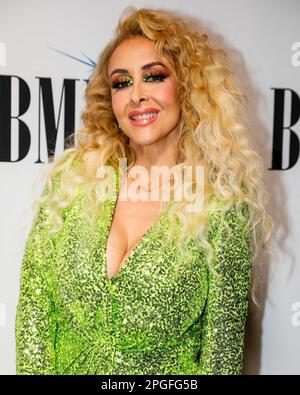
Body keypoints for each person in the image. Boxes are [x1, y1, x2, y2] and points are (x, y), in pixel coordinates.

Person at [15, 6, 273, 375]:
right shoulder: (73, 181)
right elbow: (34, 317)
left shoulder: (221, 208)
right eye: (121, 82)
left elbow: (221, 358)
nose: (136, 95)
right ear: (111, 100)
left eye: (153, 77)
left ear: (187, 86)